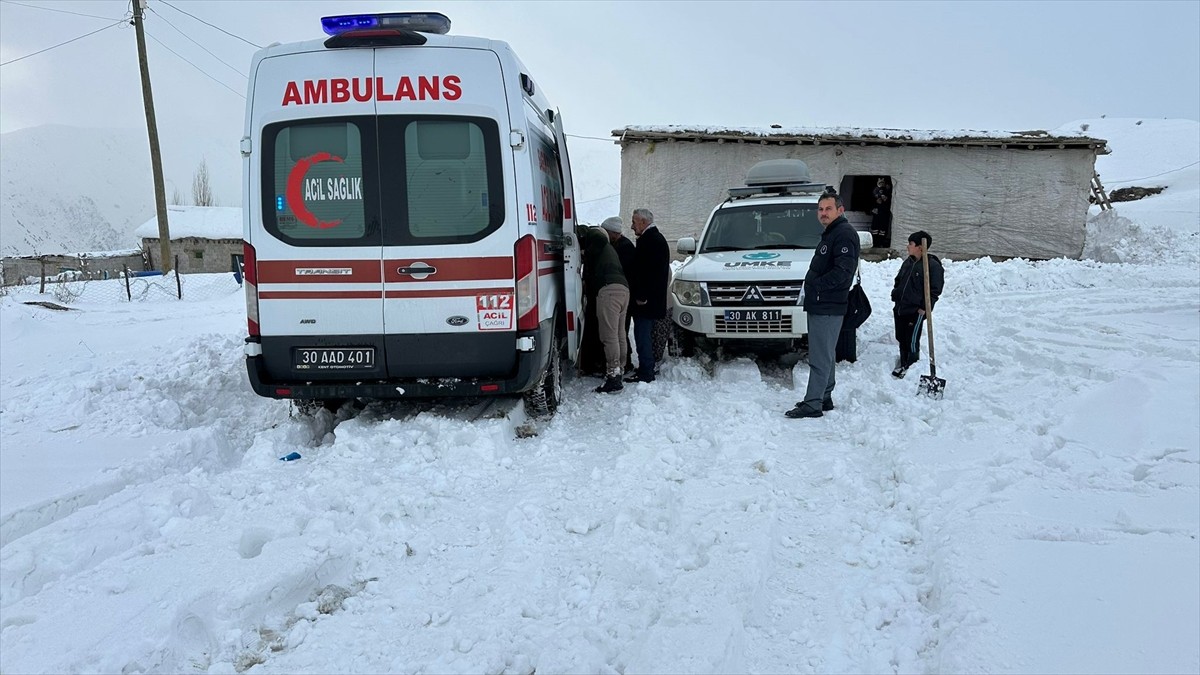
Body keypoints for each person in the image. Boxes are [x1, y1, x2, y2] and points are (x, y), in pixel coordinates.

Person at [785, 191, 861, 419]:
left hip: (828, 304)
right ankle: (824, 396)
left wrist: (817, 285)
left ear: (840, 210)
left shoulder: (844, 234)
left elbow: (844, 271)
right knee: (825, 354)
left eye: (828, 209)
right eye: (820, 209)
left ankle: (813, 404)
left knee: (819, 357)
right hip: (822, 304)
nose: (823, 213)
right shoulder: (833, 233)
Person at [578, 225, 630, 393]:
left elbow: (597, 239)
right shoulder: (609, 250)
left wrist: (585, 252)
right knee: (620, 333)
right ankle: (619, 369)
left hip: (609, 291)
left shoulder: (596, 238)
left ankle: (613, 376)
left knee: (609, 336)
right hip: (623, 289)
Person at [890, 230, 944, 379]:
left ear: (920, 247)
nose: (908, 246)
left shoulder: (931, 266)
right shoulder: (909, 262)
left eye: (911, 244)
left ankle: (911, 365)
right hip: (901, 307)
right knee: (901, 336)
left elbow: (935, 291)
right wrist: (896, 292)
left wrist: (924, 309)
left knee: (912, 339)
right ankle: (903, 361)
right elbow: (899, 280)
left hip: (916, 310)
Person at [625, 208, 670, 384]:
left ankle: (646, 371)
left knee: (642, 335)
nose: (631, 226)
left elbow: (647, 272)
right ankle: (646, 366)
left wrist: (641, 295)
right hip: (651, 299)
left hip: (646, 301)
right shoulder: (653, 239)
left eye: (634, 222)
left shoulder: (650, 241)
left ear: (643, 222)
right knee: (643, 334)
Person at [600, 216, 637, 373]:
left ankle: (620, 365)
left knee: (614, 333)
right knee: (620, 332)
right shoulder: (623, 245)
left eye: (607, 232)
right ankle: (624, 364)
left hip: (618, 293)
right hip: (625, 293)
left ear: (613, 233)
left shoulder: (623, 247)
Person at [871, 177, 892, 248]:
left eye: (883, 183)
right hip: (877, 212)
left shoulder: (887, 190)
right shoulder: (875, 190)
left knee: (883, 229)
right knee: (875, 228)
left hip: (884, 212)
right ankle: (875, 243)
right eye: (880, 183)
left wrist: (885, 199)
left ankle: (880, 243)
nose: (882, 184)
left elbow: (889, 201)